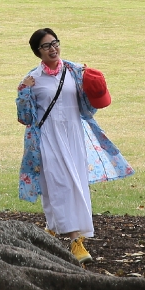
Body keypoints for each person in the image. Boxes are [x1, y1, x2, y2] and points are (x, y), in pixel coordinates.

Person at [15, 28, 134, 263]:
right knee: (58, 185)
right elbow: (25, 117)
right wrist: (23, 91)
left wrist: (94, 82)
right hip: (49, 138)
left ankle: (56, 230)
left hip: (74, 136)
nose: (53, 49)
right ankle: (74, 240)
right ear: (37, 52)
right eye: (46, 46)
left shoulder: (75, 72)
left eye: (55, 43)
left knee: (75, 184)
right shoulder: (32, 79)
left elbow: (90, 107)